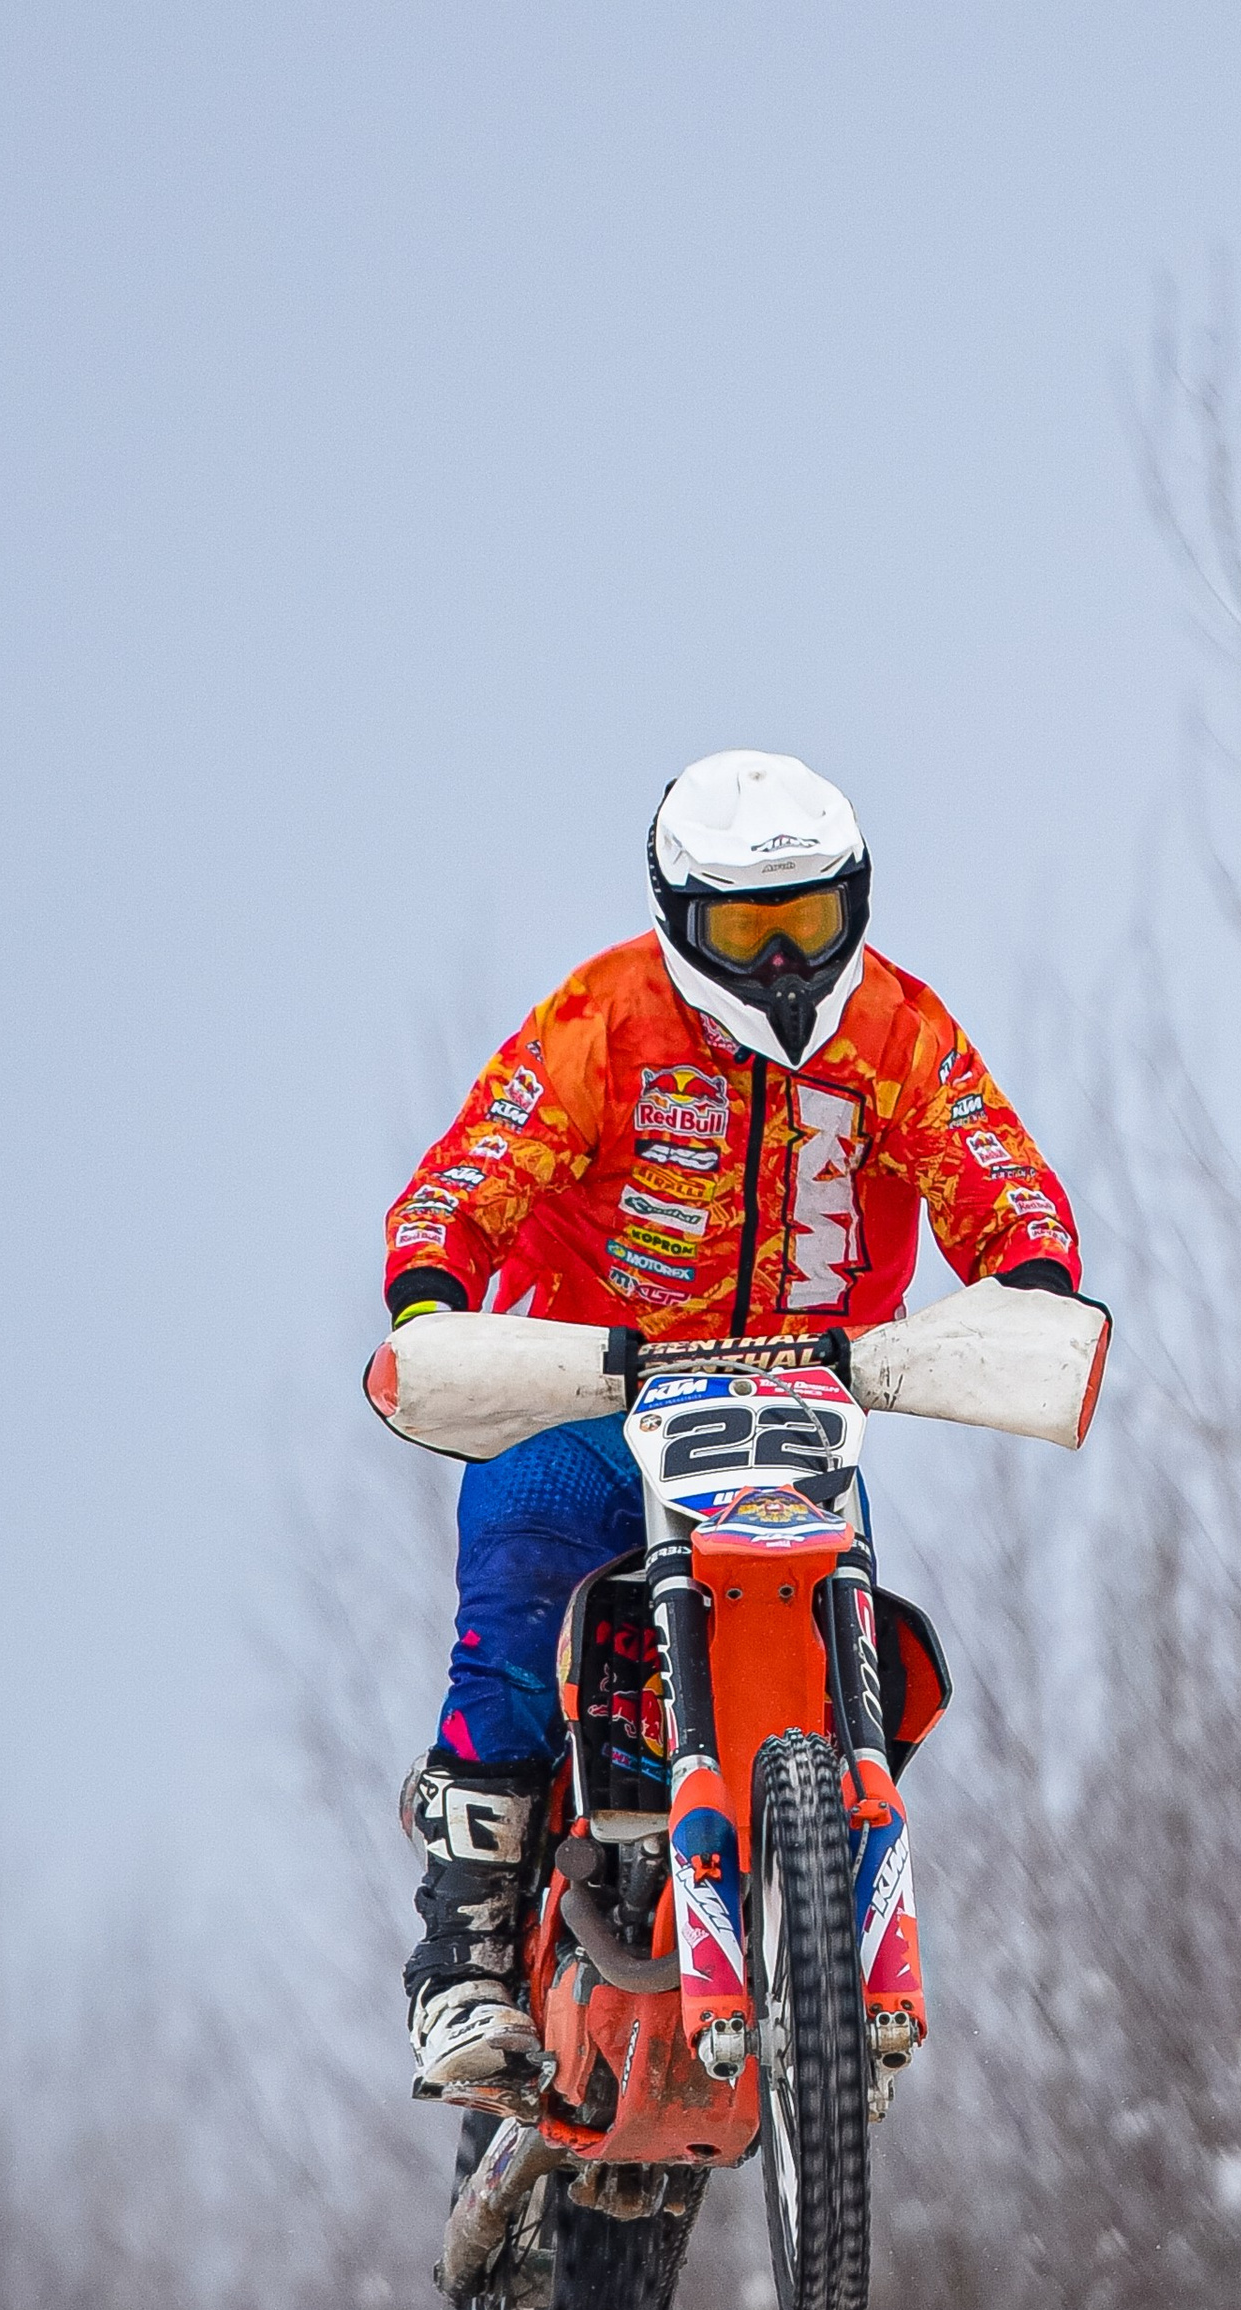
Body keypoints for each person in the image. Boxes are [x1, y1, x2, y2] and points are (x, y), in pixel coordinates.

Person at [384, 747, 1085, 2098]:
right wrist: (433, 1299)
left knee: (862, 1640)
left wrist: (1032, 1282)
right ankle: (464, 1952)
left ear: (854, 905)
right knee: (523, 1556)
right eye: (749, 932)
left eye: (806, 925)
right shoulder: (604, 1021)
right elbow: (463, 1179)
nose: (781, 965)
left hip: (799, 1408)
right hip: (593, 1392)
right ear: (678, 921)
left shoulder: (897, 1033)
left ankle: (827, 1931)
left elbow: (994, 1167)